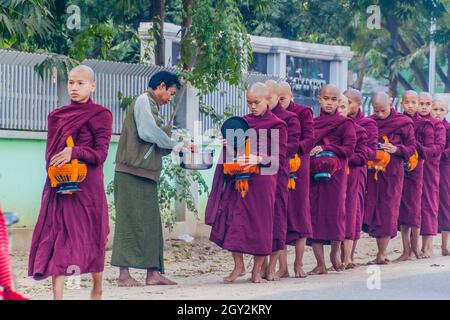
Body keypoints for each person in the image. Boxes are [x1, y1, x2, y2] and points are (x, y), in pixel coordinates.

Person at [28, 65, 113, 300]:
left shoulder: (101, 114)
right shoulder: (57, 116)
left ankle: (97, 287)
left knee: (94, 235)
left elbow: (100, 155)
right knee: (60, 236)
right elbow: (50, 154)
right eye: (71, 83)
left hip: (89, 187)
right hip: (62, 185)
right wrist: (56, 168)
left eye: (80, 83)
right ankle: (58, 297)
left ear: (92, 86)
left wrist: (74, 151)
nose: (74, 88)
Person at [205, 82, 287, 284]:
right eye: (249, 103)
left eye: (256, 103)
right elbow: (234, 154)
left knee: (261, 225)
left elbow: (280, 158)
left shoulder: (277, 125)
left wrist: (259, 158)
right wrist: (228, 145)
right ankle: (238, 266)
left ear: (267, 100)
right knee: (235, 221)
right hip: (240, 179)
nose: (252, 107)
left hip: (263, 181)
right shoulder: (242, 123)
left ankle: (257, 271)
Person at [111, 71, 186, 286]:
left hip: (145, 173)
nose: (170, 98)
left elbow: (155, 138)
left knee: (152, 224)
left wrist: (178, 143)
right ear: (161, 86)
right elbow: (147, 132)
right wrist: (174, 145)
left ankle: (153, 274)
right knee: (128, 223)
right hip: (131, 173)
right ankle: (124, 276)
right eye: (170, 93)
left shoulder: (153, 106)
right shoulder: (144, 100)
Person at [308, 84, 356, 275]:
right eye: (326, 98)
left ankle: (334, 256)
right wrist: (312, 150)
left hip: (336, 176)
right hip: (314, 174)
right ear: (319, 99)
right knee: (314, 215)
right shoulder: (313, 123)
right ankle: (320, 263)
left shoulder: (346, 124)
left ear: (339, 101)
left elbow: (349, 149)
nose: (329, 103)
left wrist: (328, 149)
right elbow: (306, 144)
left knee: (336, 214)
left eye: (333, 99)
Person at [365, 92, 416, 265]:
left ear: (391, 103)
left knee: (388, 210)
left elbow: (411, 148)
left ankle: (382, 253)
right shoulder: (370, 122)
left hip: (393, 174)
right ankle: (379, 252)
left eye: (383, 111)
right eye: (376, 111)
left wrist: (396, 149)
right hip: (373, 173)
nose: (380, 114)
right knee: (374, 210)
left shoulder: (403, 123)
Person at [277, 81, 315, 278]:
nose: (279, 103)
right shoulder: (271, 113)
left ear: (290, 96)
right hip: (278, 167)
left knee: (299, 215)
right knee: (279, 215)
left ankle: (298, 264)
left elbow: (309, 140)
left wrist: (287, 148)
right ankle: (282, 267)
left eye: (282, 99)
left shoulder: (303, 112)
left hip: (299, 167)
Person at [264, 80, 300, 281]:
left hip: (279, 172)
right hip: (260, 174)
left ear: (278, 97)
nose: (265, 102)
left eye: (268, 98)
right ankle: (262, 264)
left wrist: (267, 154)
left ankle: (273, 266)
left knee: (277, 218)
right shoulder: (258, 117)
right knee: (262, 219)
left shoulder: (289, 119)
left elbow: (292, 146)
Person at [397, 91, 434, 261]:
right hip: (399, 170)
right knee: (402, 210)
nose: (410, 106)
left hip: (417, 170)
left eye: (414, 102)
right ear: (402, 104)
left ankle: (416, 248)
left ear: (418, 104)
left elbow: (428, 151)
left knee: (414, 209)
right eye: (407, 102)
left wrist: (413, 144)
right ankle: (406, 251)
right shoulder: (397, 122)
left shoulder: (425, 125)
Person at [343, 88, 378, 265]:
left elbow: (371, 152)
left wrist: (348, 156)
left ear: (358, 104)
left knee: (353, 209)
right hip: (337, 172)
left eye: (348, 103)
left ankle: (349, 256)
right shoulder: (337, 121)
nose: (344, 106)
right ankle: (339, 255)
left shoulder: (367, 124)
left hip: (357, 170)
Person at [337, 95, 368, 269]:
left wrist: (339, 158)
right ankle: (333, 257)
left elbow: (363, 156)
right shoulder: (326, 126)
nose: (340, 109)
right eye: (338, 106)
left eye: (344, 106)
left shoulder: (359, 129)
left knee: (349, 211)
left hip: (351, 176)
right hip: (331, 176)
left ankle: (347, 257)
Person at [418, 92, 446, 258]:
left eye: (427, 104)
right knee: (414, 207)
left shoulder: (437, 126)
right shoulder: (411, 122)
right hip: (413, 169)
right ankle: (412, 248)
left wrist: (419, 150)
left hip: (430, 168)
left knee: (429, 203)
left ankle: (427, 246)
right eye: (421, 103)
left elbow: (439, 148)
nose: (423, 107)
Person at [431, 99, 450, 256]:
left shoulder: (449, 129)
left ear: (446, 112)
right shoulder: (426, 126)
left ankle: (445, 245)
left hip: (444, 168)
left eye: (441, 110)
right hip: (428, 167)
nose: (437, 112)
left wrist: (436, 154)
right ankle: (425, 246)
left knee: (445, 203)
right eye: (435, 108)